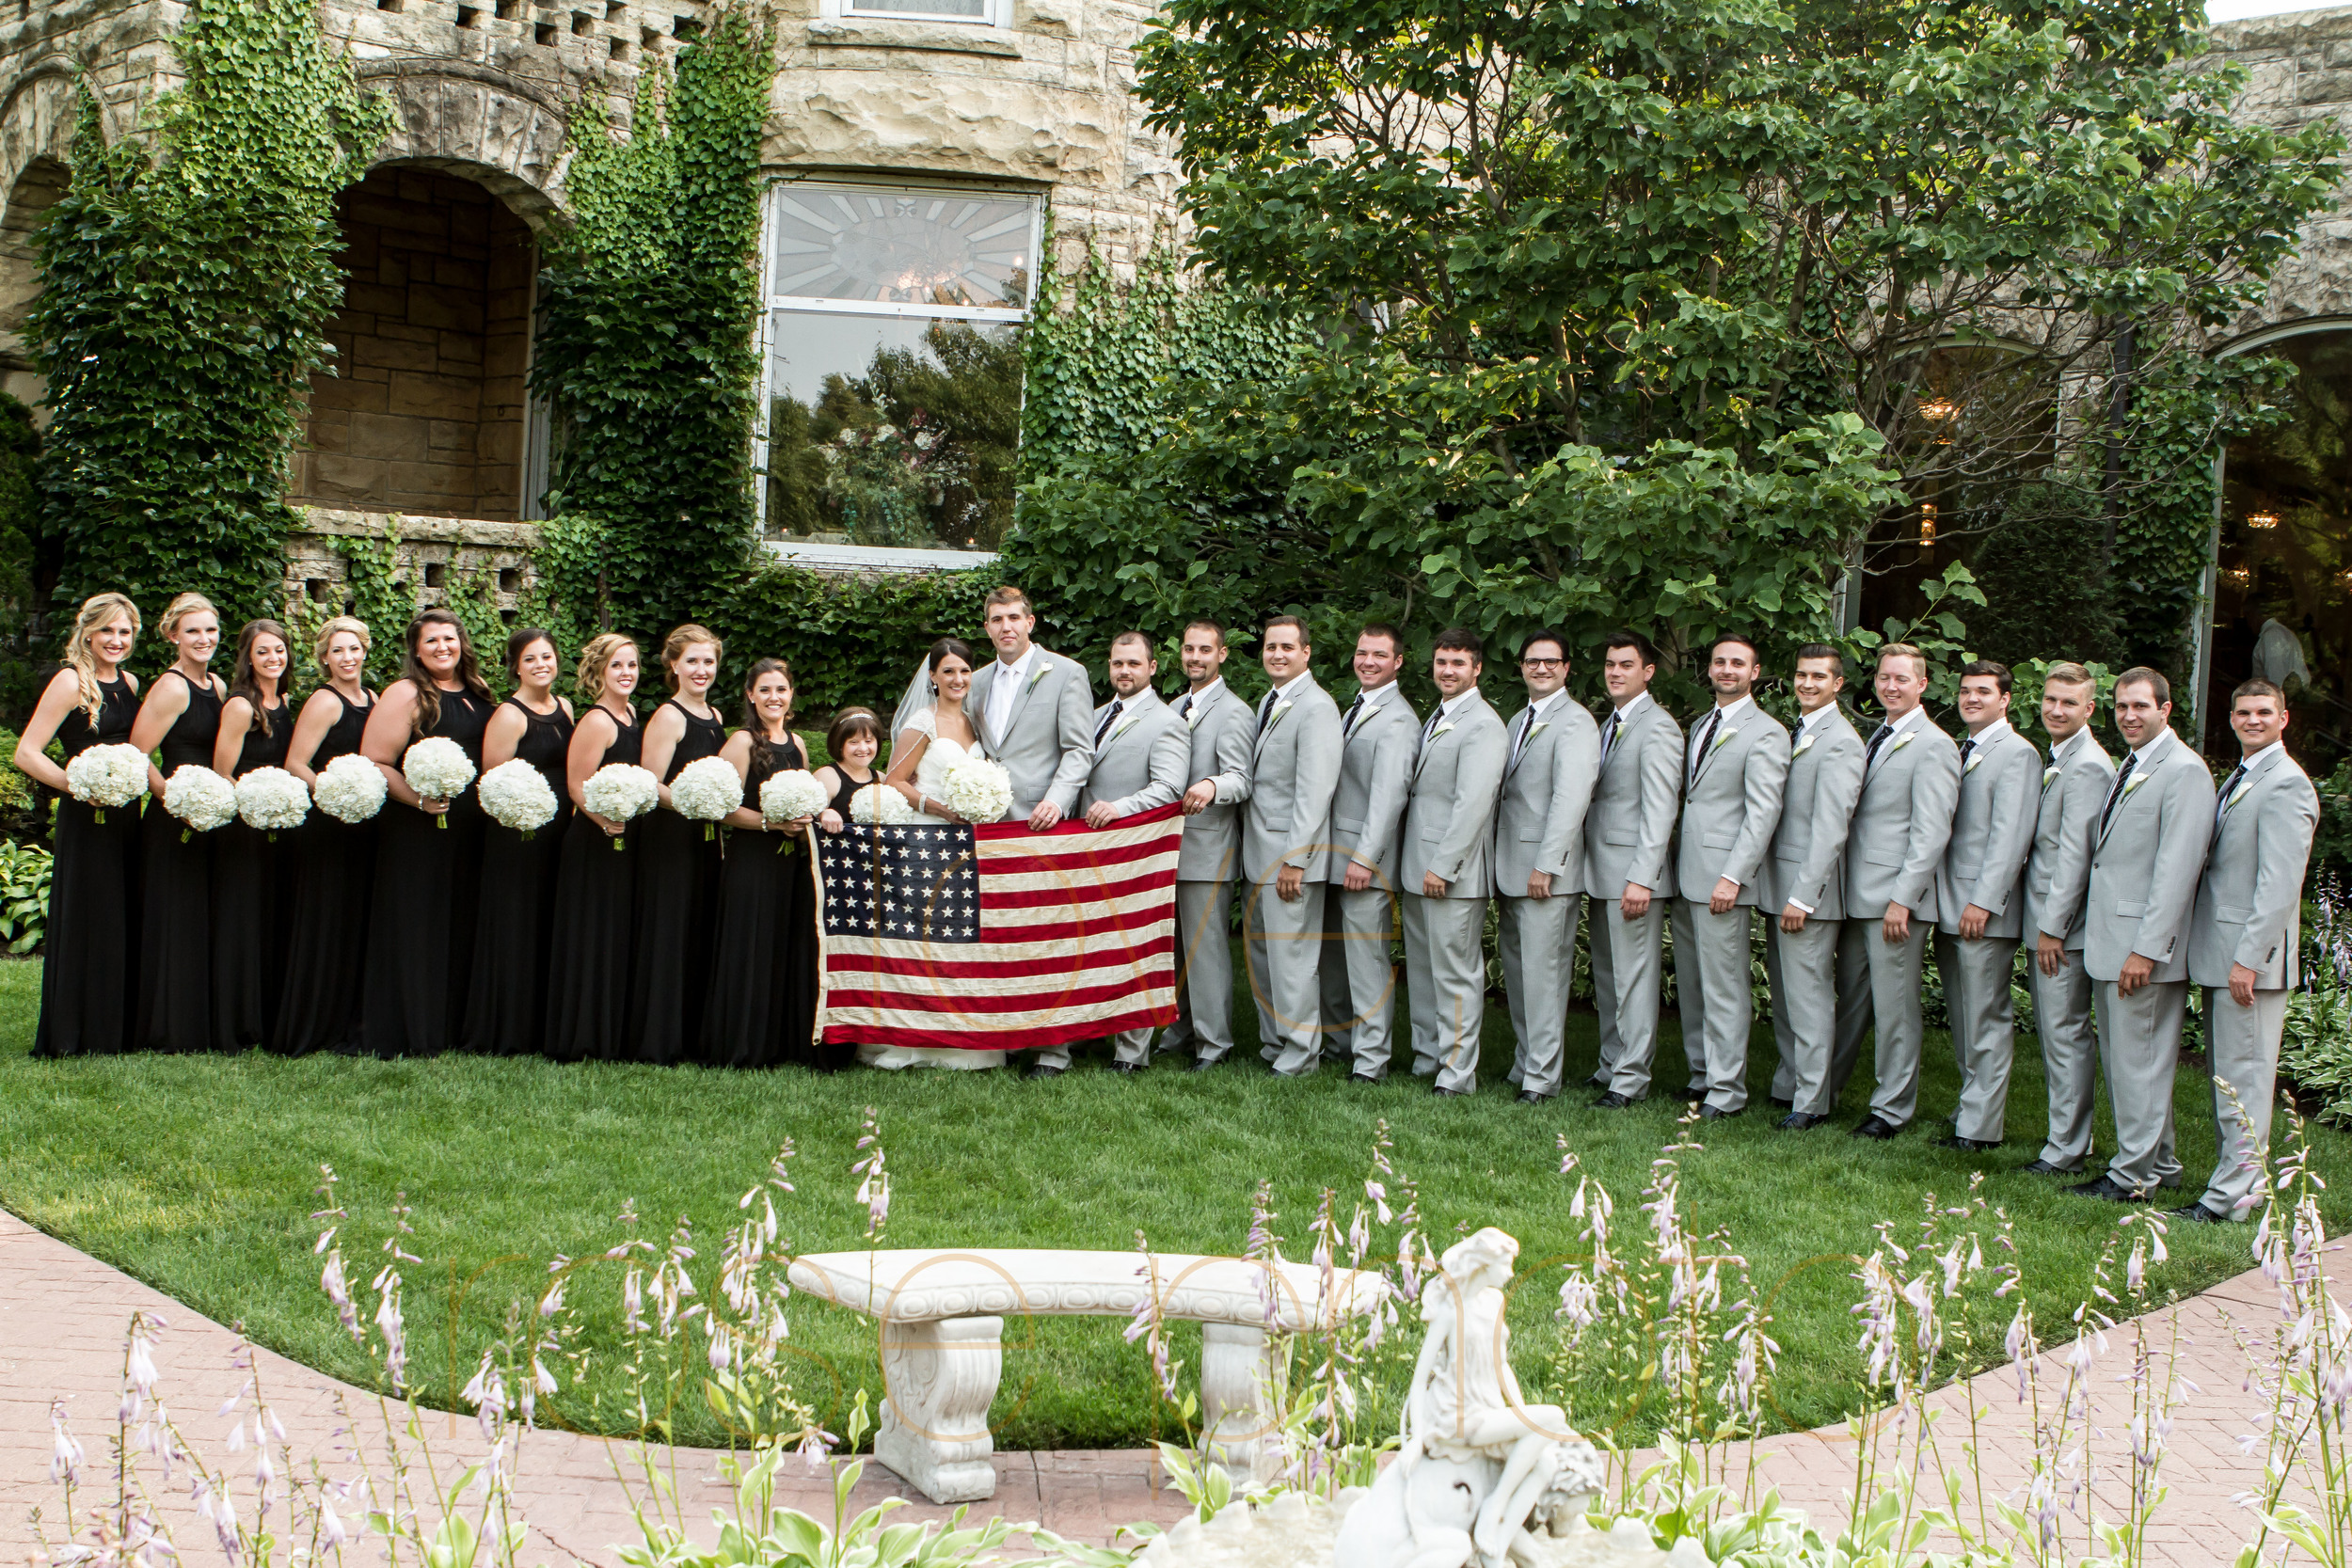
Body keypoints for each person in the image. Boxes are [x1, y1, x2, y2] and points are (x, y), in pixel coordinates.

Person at [2073, 667, 2216, 1202]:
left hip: (2142, 949)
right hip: (2113, 940)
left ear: (2166, 709)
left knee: (2141, 1067)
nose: (2129, 716)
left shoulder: (2184, 772)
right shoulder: (2133, 765)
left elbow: (2177, 871)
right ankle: (2162, 1163)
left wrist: (2146, 950)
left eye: (2140, 706)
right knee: (2132, 1064)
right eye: (2122, 707)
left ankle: (2133, 1177)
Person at [2179, 679, 2317, 1223]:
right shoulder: (2244, 775)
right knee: (2229, 1077)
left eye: (2264, 712)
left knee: (2247, 1081)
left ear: (2284, 719)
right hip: (2224, 951)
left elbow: (2280, 886)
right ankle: (2232, 1183)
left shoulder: (2287, 784)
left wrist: (2249, 958)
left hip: (2249, 961)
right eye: (2243, 712)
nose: (2252, 720)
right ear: (2231, 718)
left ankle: (2234, 1200)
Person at [1044, 630, 1190, 1076]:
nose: (1123, 671)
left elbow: (1169, 788)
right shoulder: (1093, 716)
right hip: (1081, 851)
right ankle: (1059, 1049)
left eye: (1132, 663)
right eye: (1116, 663)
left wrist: (1118, 808)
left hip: (1132, 853)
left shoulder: (1168, 722)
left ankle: (1130, 1054)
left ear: (1152, 667)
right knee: (1072, 948)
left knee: (1130, 950)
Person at [1832, 643, 1961, 1138]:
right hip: (1857, 894)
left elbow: (1931, 832)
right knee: (1852, 1002)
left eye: (1902, 679)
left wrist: (1903, 899)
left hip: (1894, 902)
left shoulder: (1934, 745)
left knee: (1895, 1011)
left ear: (1922, 684)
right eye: (1885, 677)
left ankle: (1891, 1109)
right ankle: (1827, 1091)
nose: (1891, 686)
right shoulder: (1877, 736)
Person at [358, 608, 494, 1057]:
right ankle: (411, 1028)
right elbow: (375, 759)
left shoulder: (477, 692)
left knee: (459, 922)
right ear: (416, 650)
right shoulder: (406, 693)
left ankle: (453, 1025)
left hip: (469, 830)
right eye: (431, 641)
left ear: (462, 643)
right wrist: (418, 800)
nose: (442, 648)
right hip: (418, 828)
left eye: (449, 639)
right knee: (418, 924)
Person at [870, 637, 1007, 1071]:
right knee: (926, 936)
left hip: (965, 844)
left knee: (959, 937)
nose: (958, 679)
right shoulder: (921, 722)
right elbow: (894, 779)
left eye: (965, 671)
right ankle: (918, 1041)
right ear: (932, 676)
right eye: (948, 671)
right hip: (927, 838)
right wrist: (939, 809)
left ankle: (961, 1039)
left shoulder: (973, 723)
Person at [1669, 633, 1789, 1118]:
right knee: (1694, 985)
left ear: (1755, 673)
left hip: (1723, 880)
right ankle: (1701, 1076)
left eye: (1738, 663)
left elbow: (1763, 812)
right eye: (1720, 662)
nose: (1727, 670)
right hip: (1687, 875)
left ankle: (1726, 1090)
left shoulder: (1766, 732)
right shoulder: (1701, 723)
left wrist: (1734, 876)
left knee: (1724, 988)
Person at [19, 593, 142, 1057]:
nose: (116, 640)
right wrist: (76, 786)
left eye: (125, 632)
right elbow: (27, 753)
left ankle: (113, 1030)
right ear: (87, 632)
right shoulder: (70, 681)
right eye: (107, 630)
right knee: (87, 916)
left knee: (119, 916)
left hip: (126, 815)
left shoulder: (130, 682)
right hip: (86, 814)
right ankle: (72, 1032)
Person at [1929, 659, 2039, 1151]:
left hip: (1981, 913)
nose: (1972, 698)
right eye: (1966, 691)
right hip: (1949, 904)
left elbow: (2009, 837)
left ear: (2005, 700)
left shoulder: (2018, 754)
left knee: (1986, 1019)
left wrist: (1984, 902)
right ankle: (1968, 1110)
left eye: (1983, 692)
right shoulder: (1961, 747)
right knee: (1964, 1016)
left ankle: (1980, 1129)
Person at [1761, 645, 1867, 1130]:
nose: (1807, 683)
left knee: (1809, 1001)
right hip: (1779, 884)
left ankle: (1811, 1101)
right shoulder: (1800, 730)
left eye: (1819, 677)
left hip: (1808, 895)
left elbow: (1831, 828)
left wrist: (1804, 895)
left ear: (1838, 684)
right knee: (1786, 998)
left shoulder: (1840, 741)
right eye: (1802, 675)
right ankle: (1791, 1084)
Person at [1399, 627, 1507, 1096]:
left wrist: (1445, 866)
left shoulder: (1483, 723)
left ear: (1477, 669)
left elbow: (1473, 804)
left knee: (1456, 973)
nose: (1448, 670)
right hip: (1416, 863)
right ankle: (1429, 1058)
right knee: (1423, 970)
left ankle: (1459, 1073)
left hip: (1451, 872)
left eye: (1458, 663)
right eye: (1442, 662)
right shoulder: (1440, 715)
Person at [702, 658, 824, 1070]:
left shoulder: (798, 743)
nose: (775, 697)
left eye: (782, 690)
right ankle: (742, 1044)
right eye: (766, 690)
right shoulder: (740, 742)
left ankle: (780, 1042)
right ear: (751, 695)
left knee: (783, 948)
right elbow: (721, 809)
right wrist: (772, 823)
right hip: (752, 860)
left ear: (791, 695)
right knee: (750, 948)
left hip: (790, 866)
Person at [1492, 629, 1598, 1104]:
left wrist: (1547, 865)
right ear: (1522, 667)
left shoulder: (1575, 723)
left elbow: (1570, 800)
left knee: (1544, 976)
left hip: (1544, 875)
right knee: (1518, 975)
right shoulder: (1518, 719)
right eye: (1533, 661)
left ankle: (1543, 1078)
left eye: (1551, 662)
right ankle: (1526, 1062)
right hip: (1512, 868)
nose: (1541, 669)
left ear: (1567, 668)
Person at [460, 627, 575, 1055]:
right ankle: (504, 1029)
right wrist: (521, 815)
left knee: (547, 921)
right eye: (530, 659)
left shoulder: (564, 706)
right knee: (514, 924)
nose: (541, 665)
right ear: (515, 667)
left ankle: (540, 1024)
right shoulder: (509, 715)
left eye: (547, 656)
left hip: (559, 830)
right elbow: (492, 782)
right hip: (517, 835)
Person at [2021, 663, 2115, 1176]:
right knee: (2057, 1034)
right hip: (2045, 920)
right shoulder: (2060, 757)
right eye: (2051, 700)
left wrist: (2052, 929)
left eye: (2069, 703)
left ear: (2089, 708)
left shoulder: (2088, 766)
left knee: (2065, 1035)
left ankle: (2067, 1151)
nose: (2057, 710)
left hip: (2063, 929)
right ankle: (2067, 1140)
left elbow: (2076, 857)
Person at [1240, 615, 1343, 1077]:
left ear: (1306, 652)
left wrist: (1296, 861)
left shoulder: (1317, 707)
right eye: (1270, 647)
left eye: (1287, 647)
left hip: (1289, 859)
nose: (1277, 654)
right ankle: (1275, 1043)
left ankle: (1301, 1054)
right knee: (1266, 958)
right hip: (1258, 853)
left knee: (1293, 961)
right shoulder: (1271, 699)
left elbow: (1314, 791)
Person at [1584, 631, 1683, 1107]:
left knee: (1633, 980)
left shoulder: (1658, 726)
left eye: (1626, 664)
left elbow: (1661, 809)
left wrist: (1643, 877)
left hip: (1633, 877)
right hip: (1602, 871)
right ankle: (1610, 1065)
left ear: (1648, 672)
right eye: (1610, 663)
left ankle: (1631, 1079)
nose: (1615, 672)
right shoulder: (1613, 723)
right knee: (1608, 975)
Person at [274, 617, 377, 1055]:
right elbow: (296, 762)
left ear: (365, 651)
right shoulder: (324, 701)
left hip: (367, 825)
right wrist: (337, 794)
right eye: (337, 651)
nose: (347, 657)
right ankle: (314, 1025)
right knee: (327, 919)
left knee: (358, 921)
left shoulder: (373, 698)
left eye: (353, 649)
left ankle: (354, 1020)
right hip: (330, 824)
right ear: (324, 659)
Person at [1319, 624, 1417, 1081]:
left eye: (1379, 655)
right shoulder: (1354, 707)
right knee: (1336, 962)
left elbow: (1389, 797)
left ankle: (1372, 1060)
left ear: (1398, 662)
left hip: (1363, 862)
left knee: (1367, 963)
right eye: (1362, 653)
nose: (1368, 662)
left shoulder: (1398, 719)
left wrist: (1366, 858)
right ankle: (1339, 1044)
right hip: (1334, 855)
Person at [130, 593, 226, 1053]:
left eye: (210, 630)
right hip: (174, 817)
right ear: (173, 636)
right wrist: (174, 798)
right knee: (173, 917)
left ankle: (196, 1018)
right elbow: (138, 755)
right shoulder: (171, 687)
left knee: (200, 917)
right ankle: (165, 1025)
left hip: (209, 814)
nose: (203, 639)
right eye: (193, 631)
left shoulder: (219, 686)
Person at [632, 624, 728, 1065]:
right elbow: (649, 784)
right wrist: (694, 804)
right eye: (692, 661)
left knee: (698, 926)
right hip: (670, 836)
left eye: (708, 661)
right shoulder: (669, 716)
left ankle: (691, 1033)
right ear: (673, 665)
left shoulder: (716, 717)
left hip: (705, 837)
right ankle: (659, 1038)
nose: (701, 669)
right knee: (669, 931)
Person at [544, 634, 643, 1062]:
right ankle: (581, 1037)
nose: (626, 673)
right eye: (617, 665)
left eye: (632, 665)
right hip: (593, 839)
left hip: (620, 838)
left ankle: (610, 1033)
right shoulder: (598, 721)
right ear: (600, 671)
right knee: (591, 935)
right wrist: (608, 822)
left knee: (614, 934)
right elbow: (575, 784)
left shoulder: (632, 714)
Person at [1163, 621, 1255, 1072]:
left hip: (1208, 849)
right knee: (1173, 947)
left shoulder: (1234, 711)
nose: (1195, 657)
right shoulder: (1175, 705)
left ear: (1222, 655)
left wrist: (1212, 784)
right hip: (1166, 848)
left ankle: (1214, 1044)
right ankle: (1179, 1029)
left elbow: (1242, 778)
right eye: (1188, 649)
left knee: (1206, 950)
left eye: (1205, 650)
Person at [209, 618, 295, 1050]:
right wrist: (256, 802)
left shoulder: (285, 701)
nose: (272, 658)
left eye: (278, 650)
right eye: (262, 651)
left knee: (272, 919)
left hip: (279, 827)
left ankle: (268, 1015)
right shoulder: (241, 705)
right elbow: (222, 774)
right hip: (244, 829)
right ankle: (237, 1022)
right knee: (243, 922)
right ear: (247, 658)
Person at [962, 586, 1092, 827]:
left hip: (1040, 816)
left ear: (1029, 623)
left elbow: (1079, 750)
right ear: (987, 628)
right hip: (986, 819)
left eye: (1014, 618)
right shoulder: (976, 681)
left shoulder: (1067, 673)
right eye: (997, 619)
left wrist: (1056, 801)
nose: (1006, 627)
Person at [814, 706, 882, 836]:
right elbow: (804, 828)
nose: (863, 748)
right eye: (853, 742)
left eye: (869, 741)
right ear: (839, 744)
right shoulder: (827, 777)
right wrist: (822, 813)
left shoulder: (882, 779)